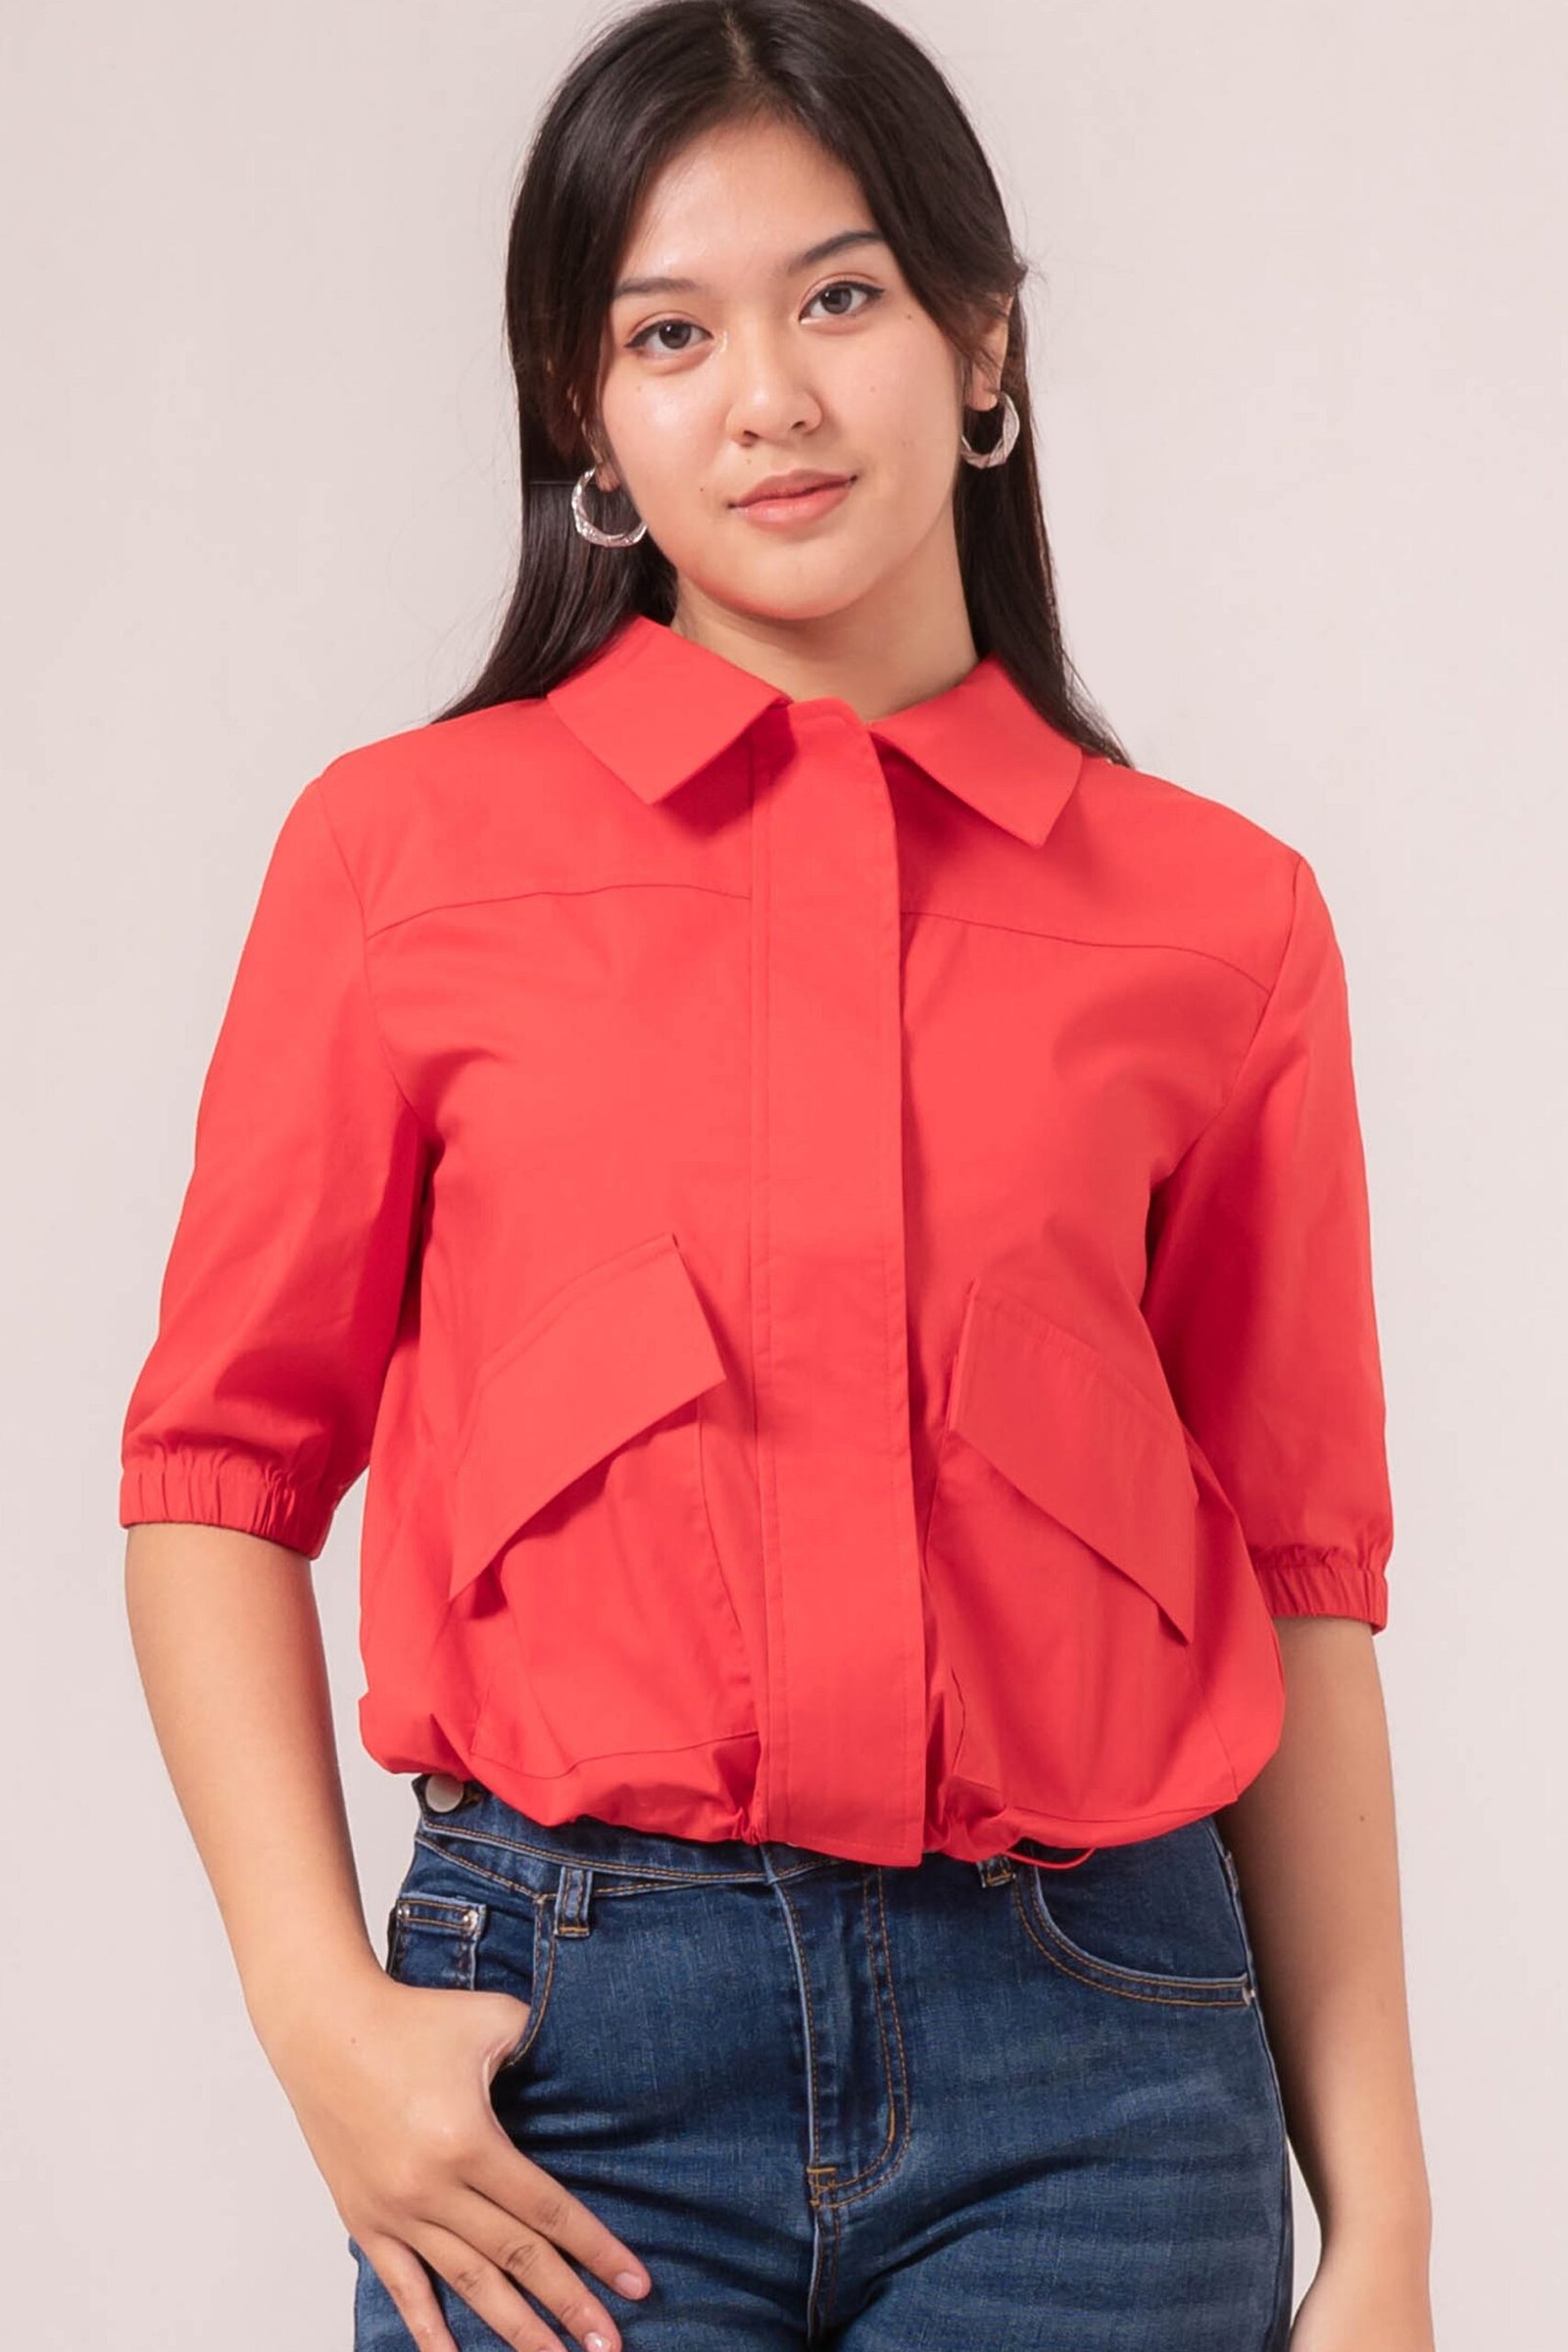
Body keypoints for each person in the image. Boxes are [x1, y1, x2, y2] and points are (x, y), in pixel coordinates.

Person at [118, 3, 1434, 2347]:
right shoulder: (401, 859)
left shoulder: (1217, 922)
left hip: (1097, 2077)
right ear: (583, 408)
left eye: (839, 296)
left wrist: (1388, 2232)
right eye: (667, 332)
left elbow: (1294, 1578)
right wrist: (315, 2018)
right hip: (558, 2071)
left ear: (980, 336)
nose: (767, 398)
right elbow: (216, 1479)